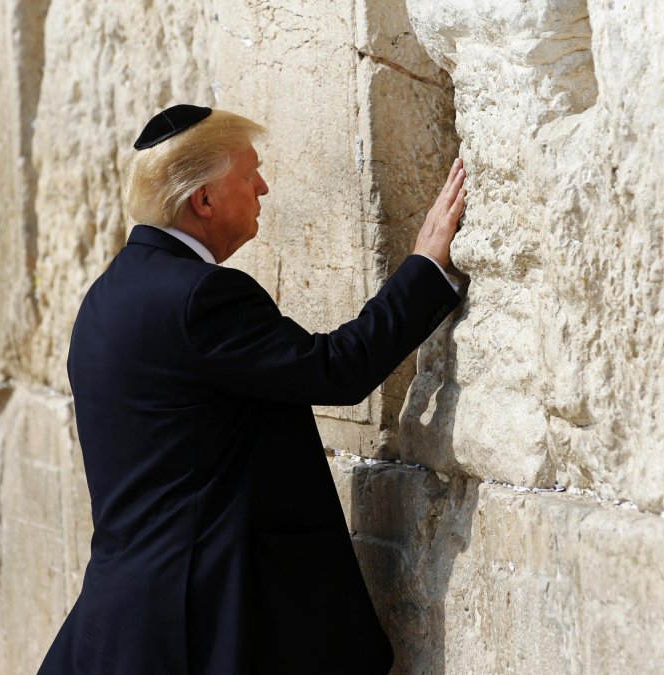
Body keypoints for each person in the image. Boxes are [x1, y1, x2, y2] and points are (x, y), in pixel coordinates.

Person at [37, 104, 466, 674]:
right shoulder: (200, 298)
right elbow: (336, 369)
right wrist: (425, 266)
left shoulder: (106, 297)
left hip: (129, 617)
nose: (263, 187)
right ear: (204, 200)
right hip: (208, 623)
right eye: (249, 173)